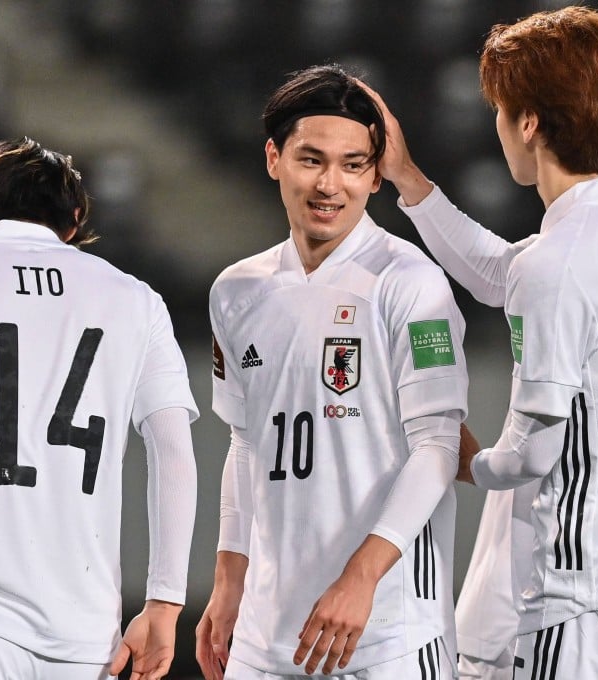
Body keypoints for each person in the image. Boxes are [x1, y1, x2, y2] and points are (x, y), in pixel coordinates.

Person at [366, 7, 598, 679]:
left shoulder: (557, 262)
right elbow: (508, 276)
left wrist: (466, 458)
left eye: (501, 111)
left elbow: (532, 453)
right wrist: (409, 181)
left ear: (529, 121)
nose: (499, 126)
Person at [196, 64, 469, 679]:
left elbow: (438, 447)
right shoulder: (235, 292)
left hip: (389, 632)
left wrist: (361, 576)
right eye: (311, 159)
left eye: (352, 165)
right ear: (274, 158)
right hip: (269, 639)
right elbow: (245, 443)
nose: (329, 184)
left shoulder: (411, 283)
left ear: (375, 175)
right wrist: (229, 577)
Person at [0, 137, 199, 680]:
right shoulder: (136, 299)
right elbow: (173, 452)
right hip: (87, 638)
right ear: (75, 219)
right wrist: (164, 602)